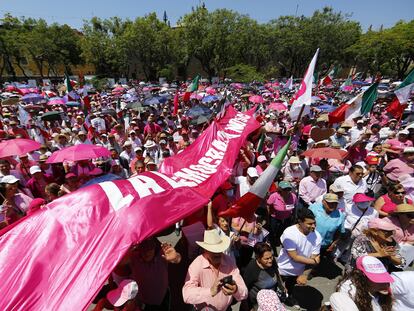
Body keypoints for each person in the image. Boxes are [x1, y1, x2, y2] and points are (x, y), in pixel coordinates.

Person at [182, 229, 248, 311]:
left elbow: (244, 291)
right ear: (205, 250)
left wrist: (236, 290)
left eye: (219, 249)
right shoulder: (197, 264)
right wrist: (210, 291)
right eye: (213, 250)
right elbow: (187, 294)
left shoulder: (229, 261)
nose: (217, 253)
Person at [277, 209, 322, 307]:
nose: (313, 226)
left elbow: (313, 258)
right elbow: (294, 257)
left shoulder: (317, 236)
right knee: (277, 289)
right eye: (309, 224)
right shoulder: (289, 233)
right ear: (300, 222)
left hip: (298, 272)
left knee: (290, 287)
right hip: (283, 269)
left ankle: (287, 297)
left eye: (314, 223)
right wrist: (313, 261)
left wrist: (304, 275)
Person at [242, 242, 280, 310]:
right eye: (266, 259)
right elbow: (244, 288)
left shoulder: (272, 261)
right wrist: (245, 305)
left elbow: (277, 272)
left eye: (271, 257)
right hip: (256, 303)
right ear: (258, 258)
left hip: (271, 300)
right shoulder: (252, 269)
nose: (270, 260)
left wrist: (282, 285)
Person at [267, 181, 297, 250]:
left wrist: (294, 217)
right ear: (280, 189)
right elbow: (268, 205)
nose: (287, 191)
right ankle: (271, 242)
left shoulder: (293, 196)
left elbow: (295, 207)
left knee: (284, 231)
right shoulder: (274, 196)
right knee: (273, 231)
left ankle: (281, 241)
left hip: (287, 217)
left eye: (289, 189)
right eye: (285, 189)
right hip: (275, 217)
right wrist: (269, 216)